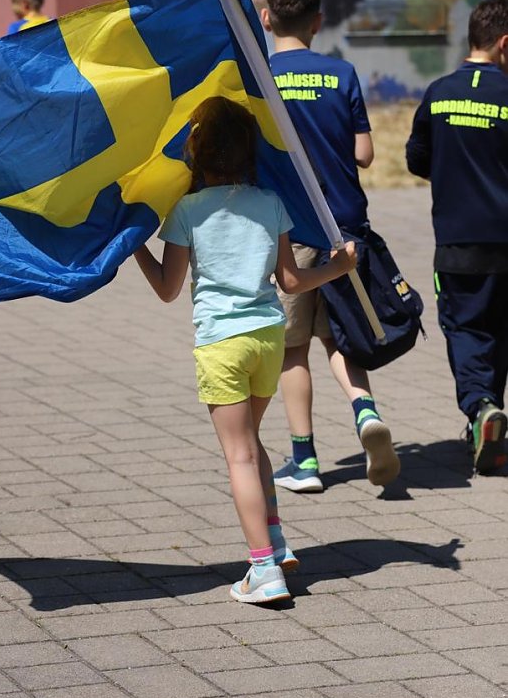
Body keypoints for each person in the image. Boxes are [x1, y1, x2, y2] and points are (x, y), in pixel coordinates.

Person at [134, 96, 356, 604]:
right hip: (268, 339)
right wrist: (338, 268)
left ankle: (263, 570)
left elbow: (168, 289)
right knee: (251, 444)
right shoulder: (270, 202)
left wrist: (134, 246)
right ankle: (275, 542)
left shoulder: (188, 210)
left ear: (195, 152)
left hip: (222, 344)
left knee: (239, 456)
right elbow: (291, 280)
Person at [261, 0, 400, 492]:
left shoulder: (258, 77)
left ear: (266, 18)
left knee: (292, 348)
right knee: (339, 335)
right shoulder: (342, 73)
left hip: (290, 228)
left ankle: (304, 462)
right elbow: (364, 154)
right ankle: (365, 412)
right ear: (318, 22)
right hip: (345, 227)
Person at [406, 0, 508, 474]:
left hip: (457, 243)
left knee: (466, 329)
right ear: (505, 43)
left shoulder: (438, 92)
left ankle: (480, 407)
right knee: (499, 331)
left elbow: (416, 159)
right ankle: (487, 421)